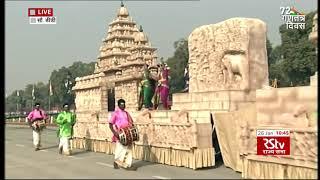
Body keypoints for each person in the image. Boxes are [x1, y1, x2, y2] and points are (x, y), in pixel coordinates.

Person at [109, 99, 137, 170]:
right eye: (121, 104)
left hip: (127, 133)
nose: (123, 106)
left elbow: (131, 122)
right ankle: (117, 162)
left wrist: (132, 131)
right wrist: (115, 133)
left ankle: (127, 164)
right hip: (120, 134)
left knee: (128, 149)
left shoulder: (127, 113)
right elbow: (110, 124)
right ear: (118, 105)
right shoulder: (115, 113)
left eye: (124, 104)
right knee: (120, 148)